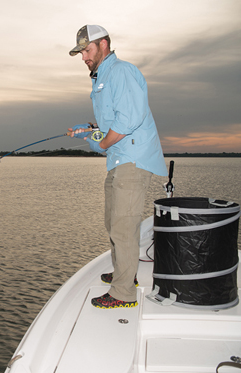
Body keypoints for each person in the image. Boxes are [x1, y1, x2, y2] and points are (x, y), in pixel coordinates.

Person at [68, 25, 167, 309]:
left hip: (132, 159)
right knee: (113, 221)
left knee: (124, 225)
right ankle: (124, 271)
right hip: (119, 158)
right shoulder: (104, 76)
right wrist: (90, 130)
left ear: (104, 45)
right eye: (81, 52)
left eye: (87, 50)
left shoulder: (120, 71)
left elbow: (128, 120)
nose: (84, 57)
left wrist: (99, 143)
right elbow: (113, 123)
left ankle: (123, 293)